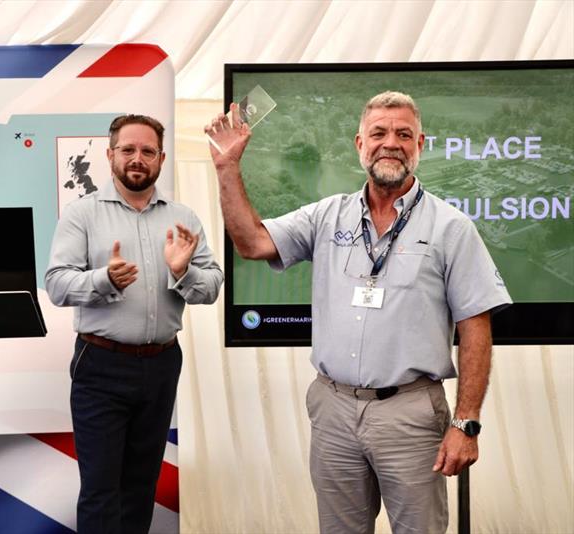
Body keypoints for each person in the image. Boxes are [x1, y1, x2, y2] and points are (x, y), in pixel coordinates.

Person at [206, 92, 511, 533]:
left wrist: (466, 422)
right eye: (379, 133)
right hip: (333, 410)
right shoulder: (327, 216)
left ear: (420, 144)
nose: (391, 143)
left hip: (410, 413)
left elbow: (476, 327)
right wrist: (226, 168)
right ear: (359, 144)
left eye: (403, 134)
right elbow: (251, 242)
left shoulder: (451, 227)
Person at [45, 114, 223, 534]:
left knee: (141, 486)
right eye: (128, 150)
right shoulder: (81, 214)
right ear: (110, 155)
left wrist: (183, 273)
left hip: (161, 364)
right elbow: (56, 284)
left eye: (147, 151)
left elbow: (212, 285)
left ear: (161, 158)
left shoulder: (183, 218)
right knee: (101, 489)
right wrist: (103, 279)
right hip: (100, 364)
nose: (137, 159)